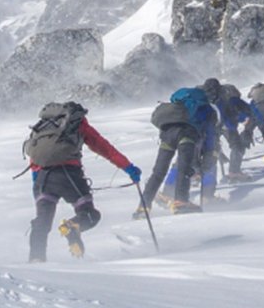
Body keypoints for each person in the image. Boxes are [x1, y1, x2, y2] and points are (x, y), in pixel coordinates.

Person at [23, 101, 141, 262]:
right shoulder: (77, 124)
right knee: (89, 214)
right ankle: (73, 226)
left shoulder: (42, 127)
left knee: (42, 222)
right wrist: (129, 168)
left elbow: (34, 159)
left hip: (43, 179)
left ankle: (36, 260)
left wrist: (37, 189)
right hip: (69, 176)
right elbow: (105, 148)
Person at [136, 81, 218, 217]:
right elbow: (209, 136)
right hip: (186, 135)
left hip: (167, 133)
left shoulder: (180, 103)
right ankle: (181, 202)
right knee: (184, 168)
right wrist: (209, 154)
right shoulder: (208, 110)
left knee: (158, 171)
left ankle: (143, 206)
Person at [212, 84, 254, 183]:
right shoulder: (234, 100)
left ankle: (198, 175)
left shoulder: (214, 101)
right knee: (237, 146)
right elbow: (249, 112)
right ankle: (234, 172)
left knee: (211, 148)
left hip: (212, 127)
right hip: (228, 126)